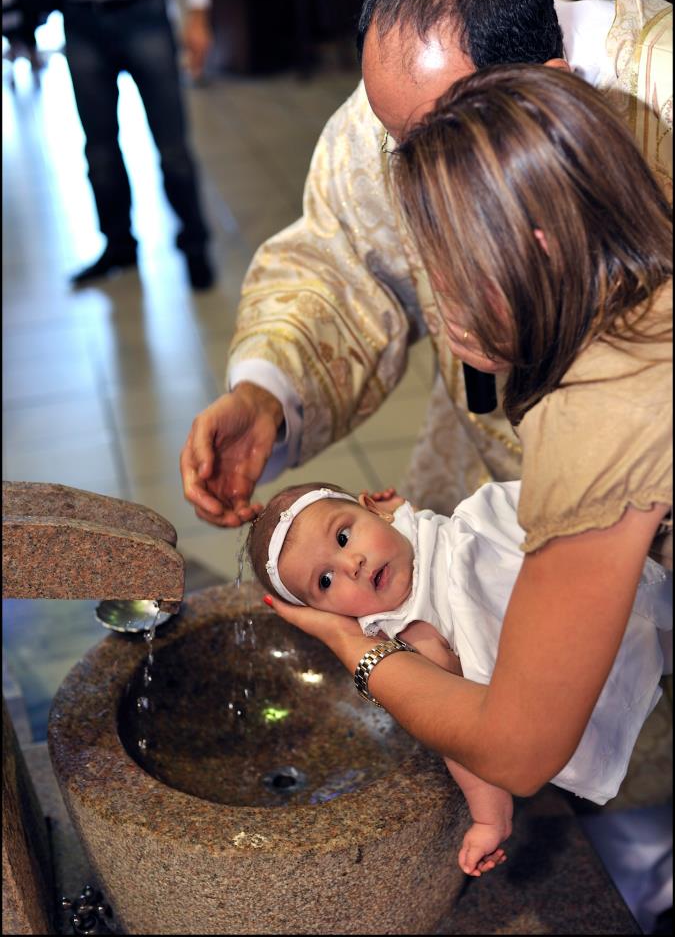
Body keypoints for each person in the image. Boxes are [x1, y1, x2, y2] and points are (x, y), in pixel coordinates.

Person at [259, 60, 671, 824]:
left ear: (538, 247)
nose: (437, 304)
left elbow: (514, 753)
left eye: (445, 270)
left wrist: (356, 649)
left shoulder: (598, 417)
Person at [179, 0, 672, 533]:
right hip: (508, 478)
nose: (415, 166)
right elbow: (342, 255)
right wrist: (266, 395)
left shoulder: (660, 88)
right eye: (403, 145)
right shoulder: (410, 96)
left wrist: (539, 325)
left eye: (435, 142)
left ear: (549, 85)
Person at [247, 479, 671, 876]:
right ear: (327, 613)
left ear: (374, 507)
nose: (351, 565)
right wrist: (490, 817)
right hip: (580, 656)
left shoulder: (459, 521)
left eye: (343, 536)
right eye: (325, 580)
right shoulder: (411, 634)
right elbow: (461, 736)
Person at [56, 0, 218, 289]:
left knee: (172, 148)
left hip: (144, 12)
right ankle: (118, 245)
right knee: (99, 149)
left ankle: (195, 247)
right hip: (79, 15)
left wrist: (199, 12)